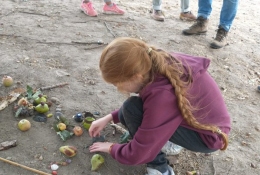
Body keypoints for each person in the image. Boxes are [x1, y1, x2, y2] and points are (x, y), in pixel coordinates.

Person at [89, 37, 231, 175]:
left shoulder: (162, 94)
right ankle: (167, 141)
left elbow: (138, 154)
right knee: (125, 113)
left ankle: (160, 169)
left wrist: (112, 148)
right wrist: (109, 117)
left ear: (136, 76)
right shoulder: (155, 61)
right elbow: (156, 106)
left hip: (207, 137)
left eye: (117, 84)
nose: (117, 88)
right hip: (206, 125)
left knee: (130, 109)